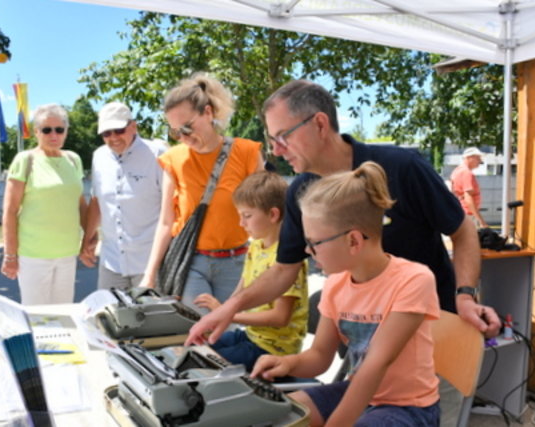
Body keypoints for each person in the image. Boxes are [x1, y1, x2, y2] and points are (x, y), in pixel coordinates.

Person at [187, 79, 500, 346]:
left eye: (283, 137)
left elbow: (463, 231)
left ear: (320, 124)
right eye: (272, 141)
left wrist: (465, 296)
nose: (276, 150)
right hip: (362, 331)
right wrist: (230, 307)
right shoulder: (299, 192)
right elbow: (283, 270)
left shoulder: (403, 168)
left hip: (432, 322)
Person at [252, 162, 440, 426]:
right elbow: (319, 356)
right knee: (282, 416)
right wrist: (288, 364)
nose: (308, 251)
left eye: (313, 243)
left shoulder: (414, 280)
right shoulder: (336, 283)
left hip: (408, 407)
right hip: (357, 392)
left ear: (353, 240)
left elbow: (375, 366)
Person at [141, 73, 264, 312]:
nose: (183, 138)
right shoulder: (173, 160)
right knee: (200, 330)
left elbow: (267, 215)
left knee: (228, 337)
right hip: (190, 262)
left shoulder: (247, 153)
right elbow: (166, 222)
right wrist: (150, 274)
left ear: (208, 113)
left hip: (238, 262)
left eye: (187, 127)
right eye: (176, 132)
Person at [194, 171, 308, 371]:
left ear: (273, 214)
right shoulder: (255, 246)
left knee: (206, 365)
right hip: (251, 335)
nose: (241, 223)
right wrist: (222, 311)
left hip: (274, 349)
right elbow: (243, 286)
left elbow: (280, 317)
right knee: (195, 349)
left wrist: (228, 314)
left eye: (247, 216)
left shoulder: (288, 259)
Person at [1, 104, 86, 305]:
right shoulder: (25, 160)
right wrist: (10, 256)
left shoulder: (74, 160)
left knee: (64, 316)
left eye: (59, 129)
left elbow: (80, 203)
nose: (53, 135)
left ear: (66, 131)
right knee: (37, 319)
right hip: (33, 256)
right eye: (47, 129)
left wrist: (90, 237)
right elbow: (10, 211)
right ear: (37, 132)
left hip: (67, 254)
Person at [79, 102, 165, 289]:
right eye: (106, 133)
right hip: (112, 261)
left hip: (150, 263)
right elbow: (97, 200)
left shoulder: (158, 155)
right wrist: (87, 239)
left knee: (150, 317)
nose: (113, 138)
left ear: (133, 126)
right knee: (109, 314)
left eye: (118, 130)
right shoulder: (99, 156)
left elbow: (172, 210)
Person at [450, 147, 489, 228]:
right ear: (470, 157)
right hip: (468, 214)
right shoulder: (466, 173)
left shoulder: (457, 170)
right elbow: (468, 199)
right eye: (478, 158)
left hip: (460, 212)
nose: (480, 161)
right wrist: (481, 221)